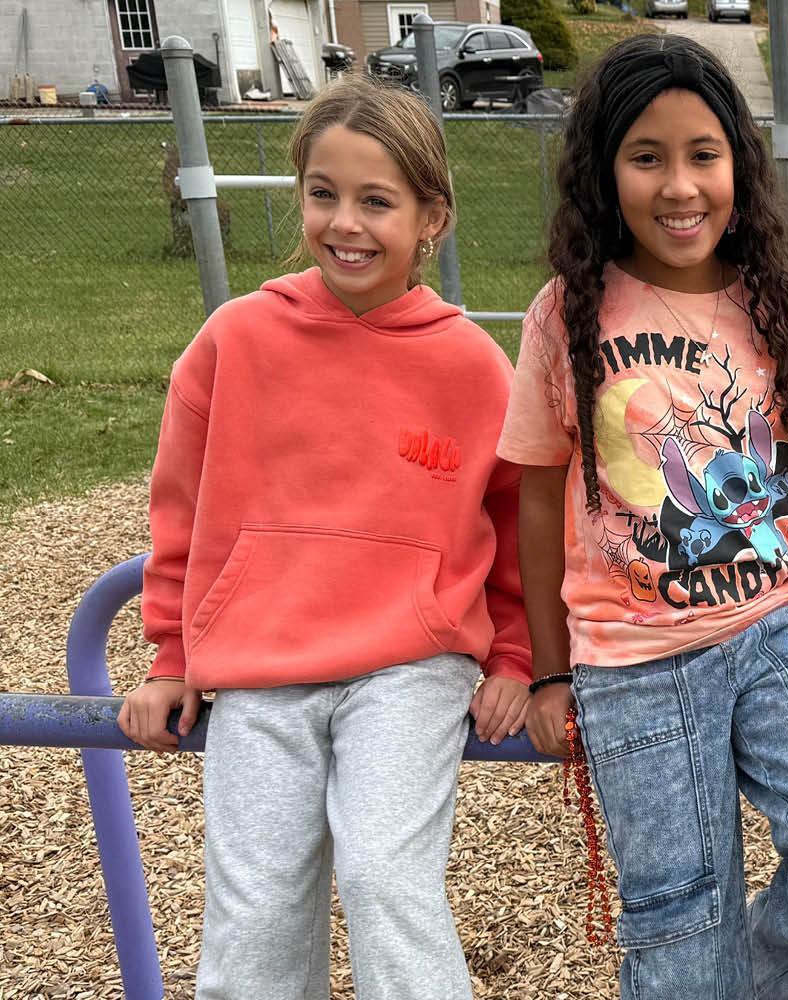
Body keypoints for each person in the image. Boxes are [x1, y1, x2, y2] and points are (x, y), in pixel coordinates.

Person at [499, 35, 788, 999]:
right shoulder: (567, 315)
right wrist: (550, 670)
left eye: (702, 155)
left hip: (777, 625)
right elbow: (533, 492)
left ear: (739, 164)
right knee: (678, 928)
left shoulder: (787, 313)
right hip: (634, 658)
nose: (679, 186)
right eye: (647, 157)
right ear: (607, 173)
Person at [118, 72, 532, 1000]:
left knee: (388, 880)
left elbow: (514, 525)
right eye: (323, 194)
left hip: (408, 666)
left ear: (432, 217)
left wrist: (514, 656)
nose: (346, 222)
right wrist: (172, 653)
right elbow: (180, 508)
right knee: (256, 914)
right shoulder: (235, 341)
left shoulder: (471, 366)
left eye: (376, 201)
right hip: (260, 665)